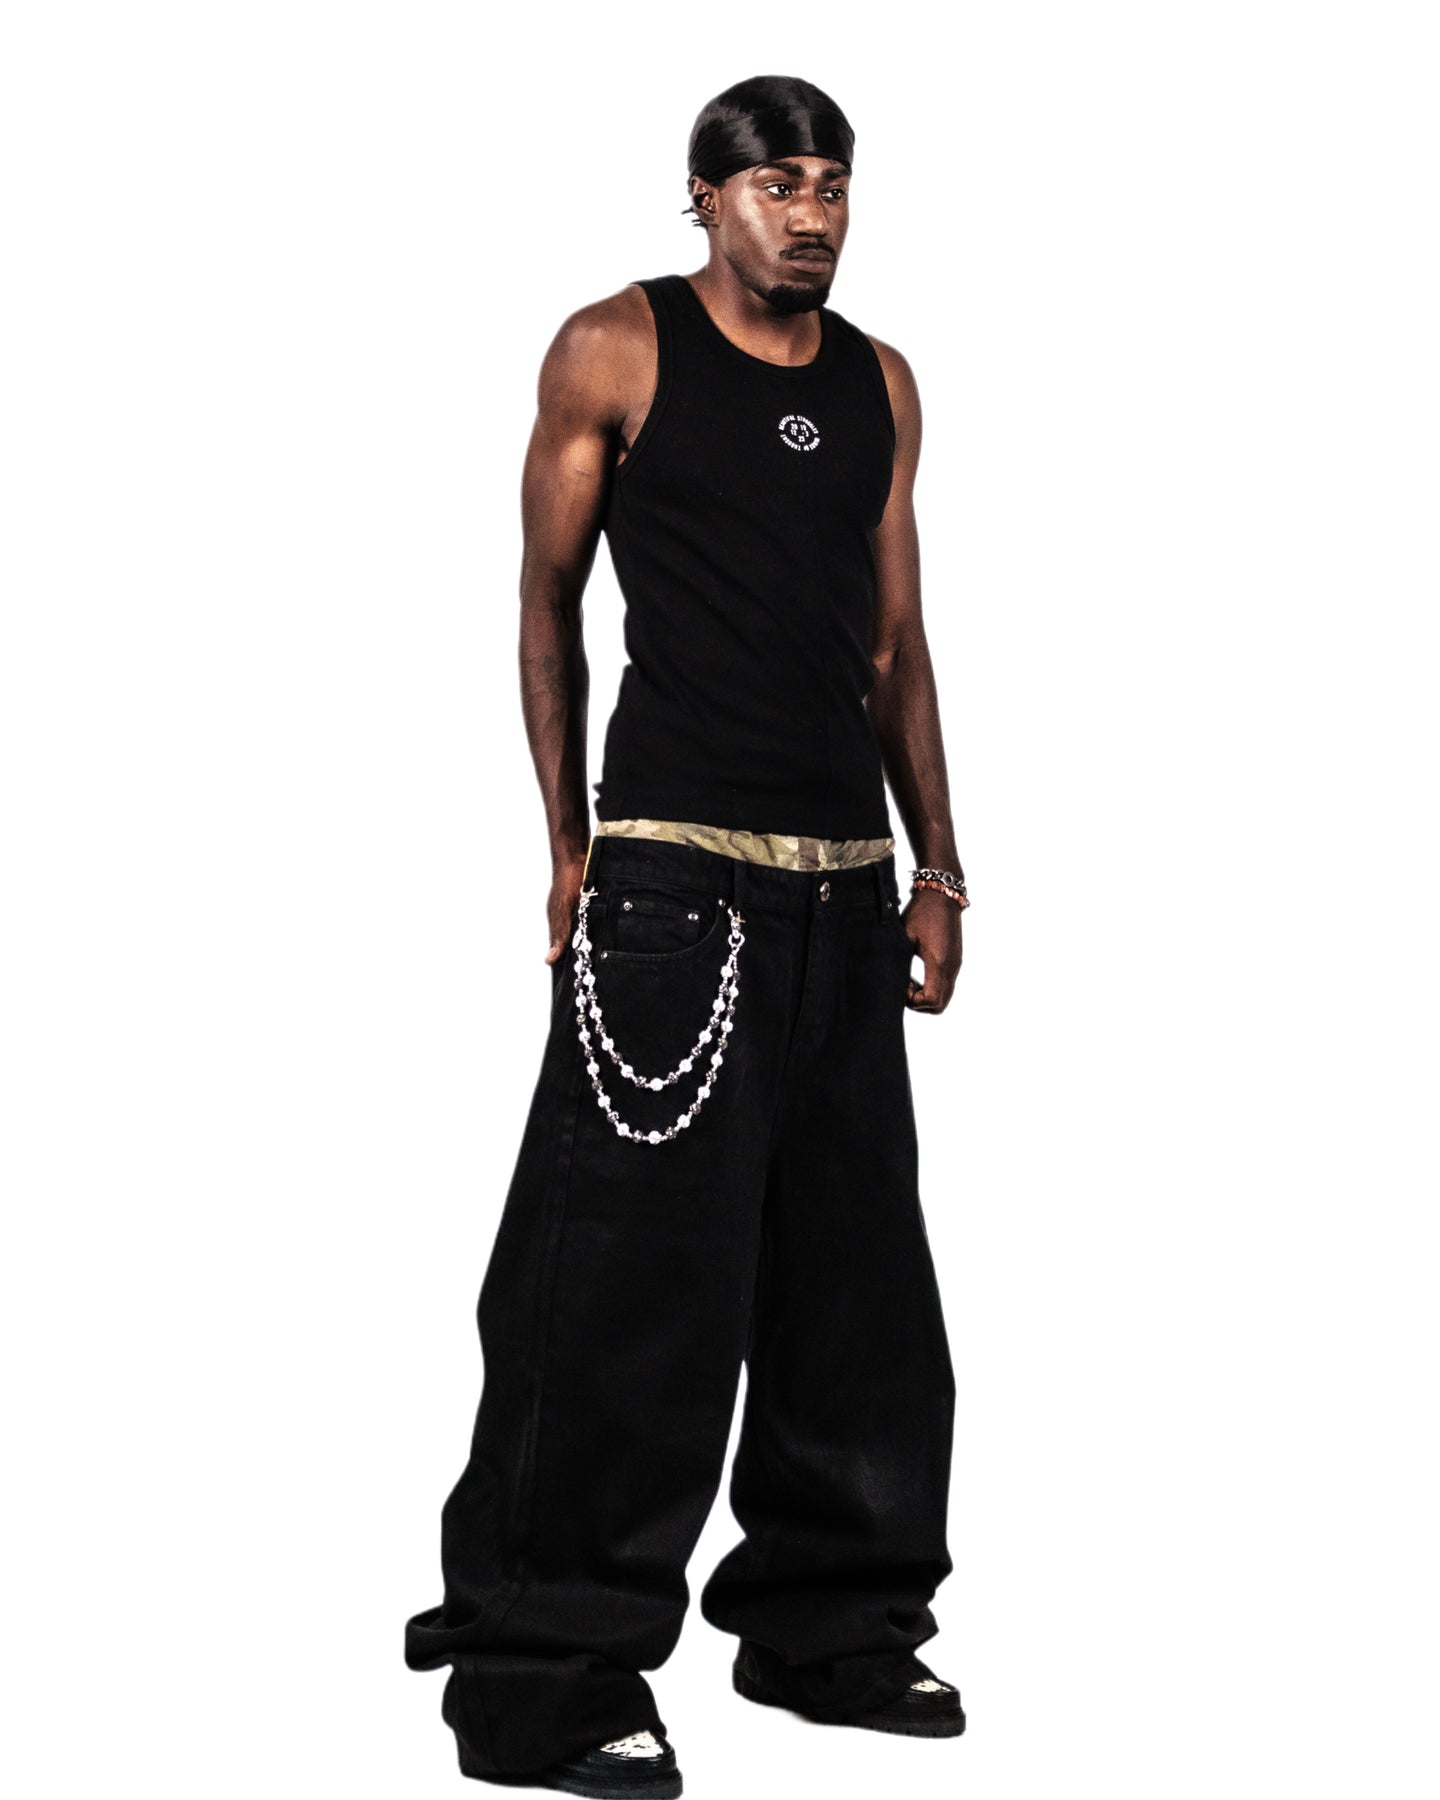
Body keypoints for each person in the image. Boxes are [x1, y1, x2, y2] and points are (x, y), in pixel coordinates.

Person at [405, 73, 970, 1796]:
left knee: (855, 1292)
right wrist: (569, 845)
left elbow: (895, 642)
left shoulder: (879, 383)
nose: (811, 214)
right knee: (619, 1288)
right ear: (707, 198)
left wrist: (940, 870)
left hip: (841, 889)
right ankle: (541, 1669)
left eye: (833, 185)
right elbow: (545, 604)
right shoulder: (616, 350)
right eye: (778, 184)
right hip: (674, 890)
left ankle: (828, 1625)